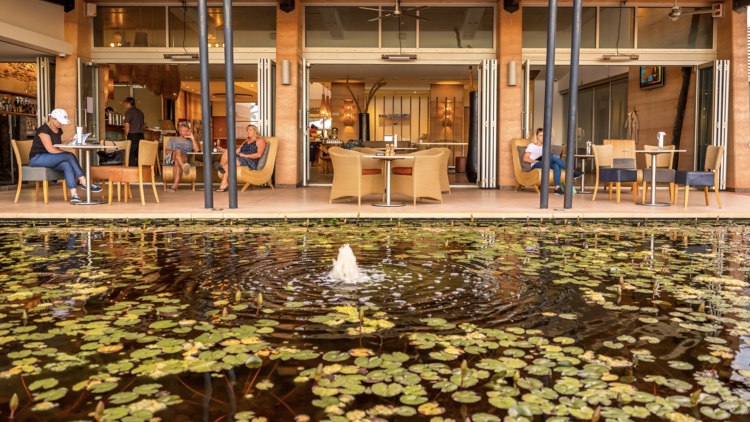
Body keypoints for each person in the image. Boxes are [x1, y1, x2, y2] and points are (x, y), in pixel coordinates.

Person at [28, 109, 100, 204]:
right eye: (60, 121)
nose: (62, 124)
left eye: (63, 122)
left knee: (67, 164)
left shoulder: (59, 130)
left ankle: (74, 195)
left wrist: (65, 142)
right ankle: (85, 183)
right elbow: (50, 149)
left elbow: (55, 144)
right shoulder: (43, 129)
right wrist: (65, 154)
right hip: (37, 158)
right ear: (52, 118)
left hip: (49, 158)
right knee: (69, 155)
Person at [523, 128, 582, 196]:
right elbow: (525, 159)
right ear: (536, 136)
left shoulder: (546, 146)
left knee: (555, 165)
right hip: (535, 165)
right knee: (553, 157)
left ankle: (557, 188)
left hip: (545, 163)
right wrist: (537, 161)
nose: (543, 137)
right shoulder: (532, 145)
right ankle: (572, 172)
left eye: (544, 135)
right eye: (541, 135)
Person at [213, 124, 266, 192]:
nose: (248, 132)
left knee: (230, 162)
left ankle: (221, 166)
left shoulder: (260, 140)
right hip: (240, 157)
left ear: (255, 131)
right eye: (247, 130)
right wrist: (223, 150)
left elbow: (259, 155)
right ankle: (224, 183)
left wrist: (244, 155)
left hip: (250, 161)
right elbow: (236, 151)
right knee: (228, 152)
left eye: (250, 130)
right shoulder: (246, 141)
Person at [164, 122, 200, 192]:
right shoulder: (172, 140)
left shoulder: (190, 140)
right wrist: (178, 153)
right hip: (171, 158)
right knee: (178, 151)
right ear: (180, 131)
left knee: (178, 160)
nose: (186, 132)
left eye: (187, 131)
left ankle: (174, 186)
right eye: (184, 131)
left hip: (184, 159)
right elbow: (167, 152)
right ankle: (184, 166)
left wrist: (192, 138)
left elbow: (197, 151)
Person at [123, 97, 145, 166]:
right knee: (139, 154)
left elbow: (127, 125)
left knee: (131, 153)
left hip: (133, 135)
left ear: (128, 104)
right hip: (141, 135)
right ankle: (139, 171)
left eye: (125, 104)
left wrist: (126, 135)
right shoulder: (140, 112)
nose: (125, 105)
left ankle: (132, 171)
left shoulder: (129, 112)